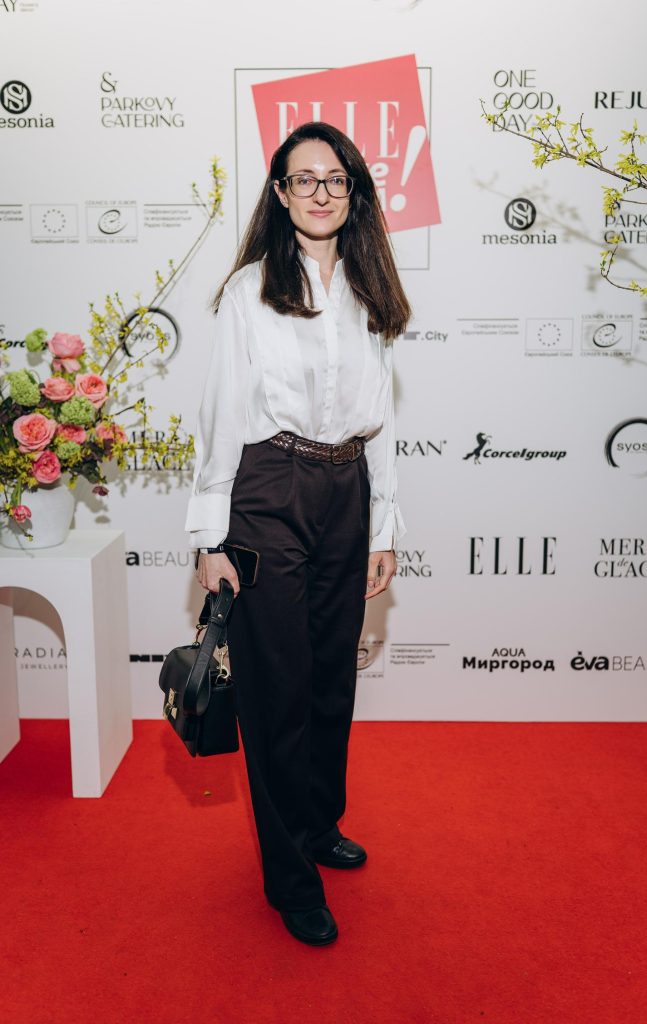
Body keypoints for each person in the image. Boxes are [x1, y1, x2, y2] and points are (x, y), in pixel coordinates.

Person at [185, 121, 410, 946]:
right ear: (279, 195)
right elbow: (221, 414)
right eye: (303, 179)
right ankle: (288, 876)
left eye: (335, 179)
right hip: (268, 488)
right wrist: (210, 536)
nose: (320, 192)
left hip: (346, 488)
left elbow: (380, 420)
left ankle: (317, 825)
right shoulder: (250, 290)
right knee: (277, 690)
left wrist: (382, 523)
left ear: (354, 194)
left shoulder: (368, 286)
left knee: (328, 682)